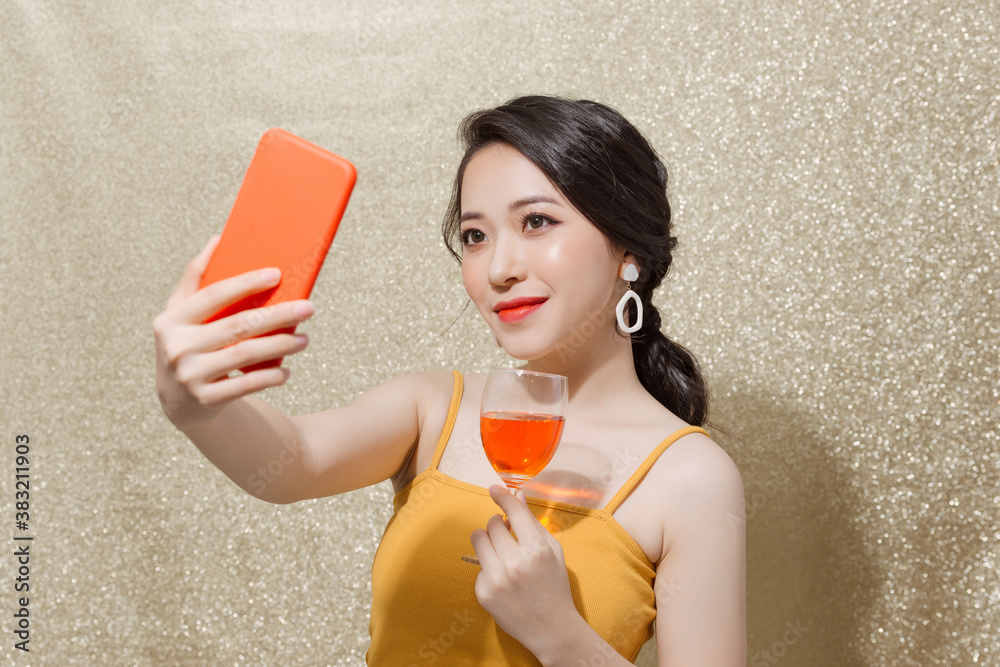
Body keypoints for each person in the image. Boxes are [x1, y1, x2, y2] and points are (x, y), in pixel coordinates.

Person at [153, 95, 746, 666]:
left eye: (537, 221)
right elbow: (293, 462)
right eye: (475, 236)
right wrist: (196, 407)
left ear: (628, 252)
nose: (500, 269)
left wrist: (563, 638)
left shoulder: (689, 477)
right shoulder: (435, 407)